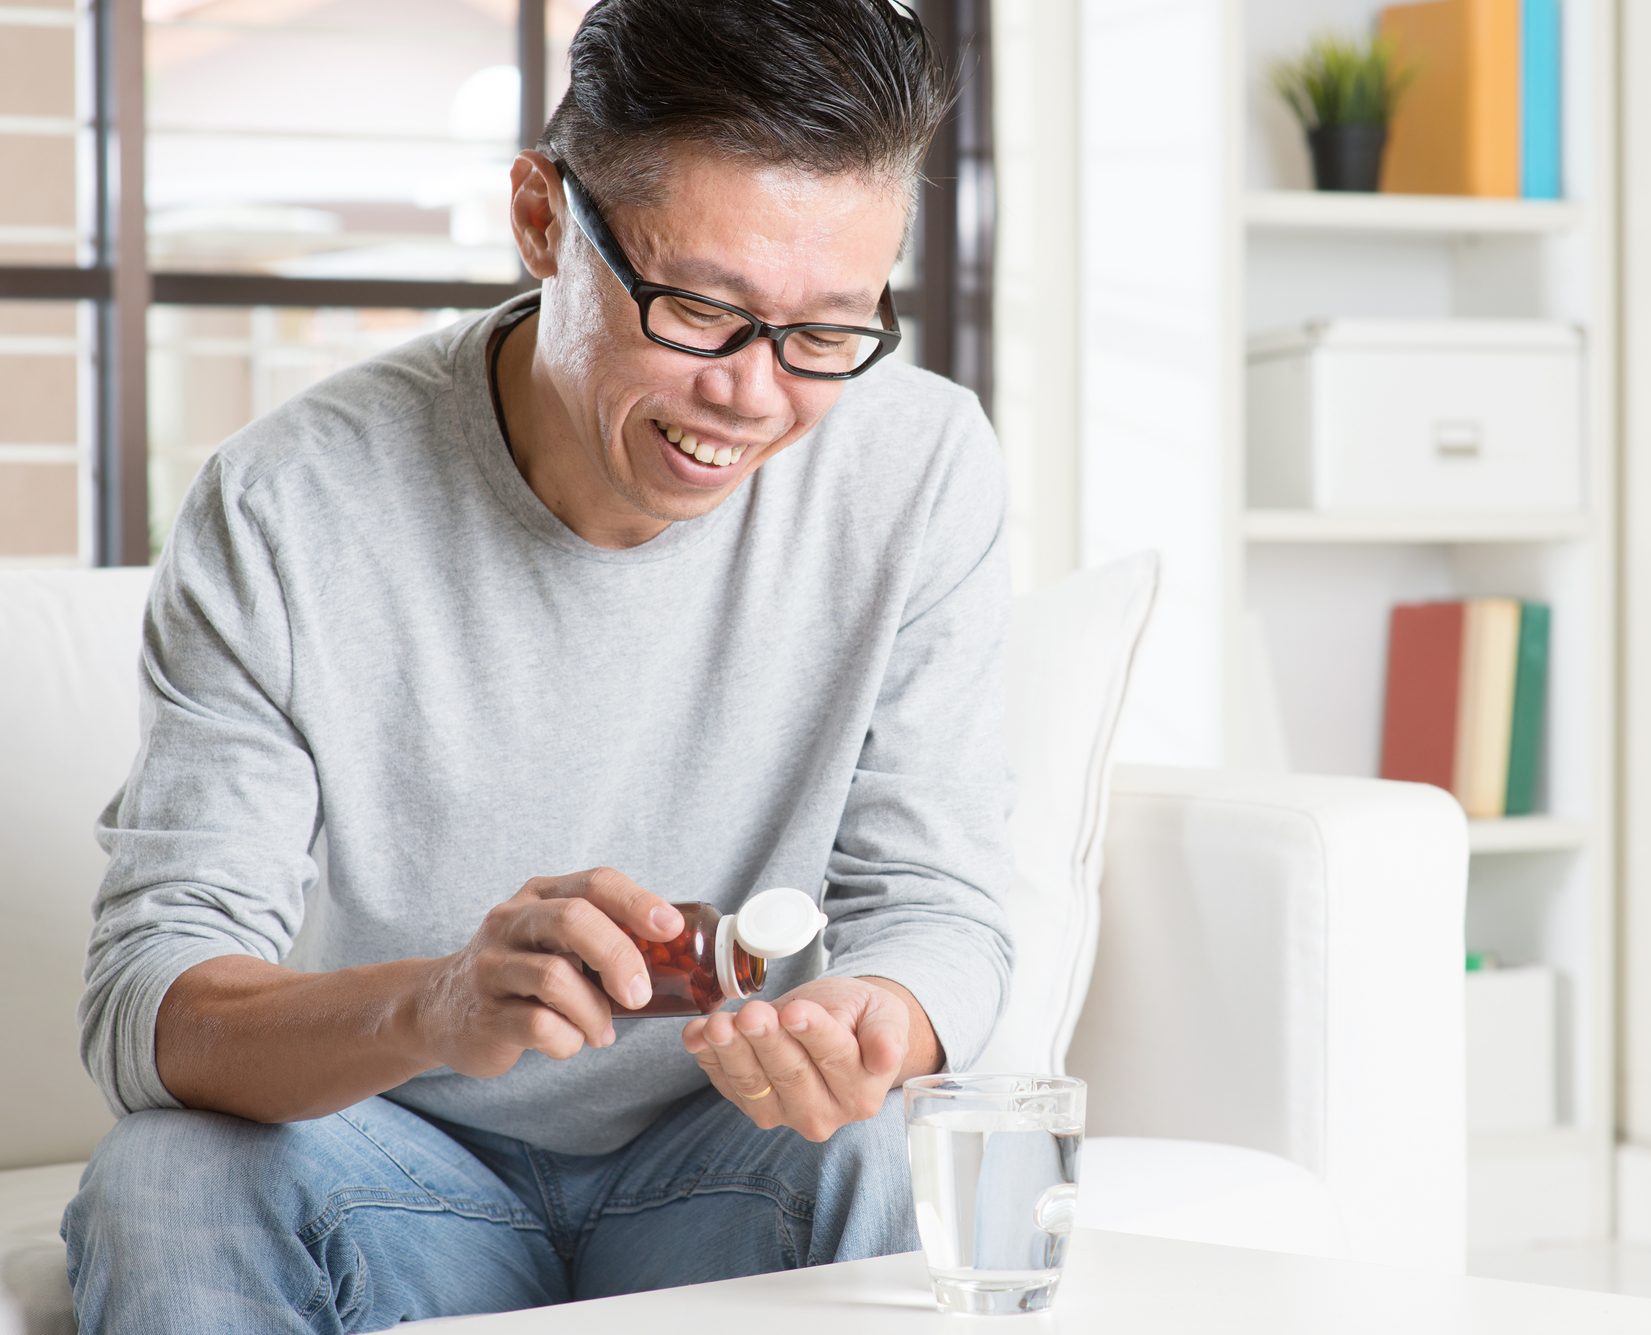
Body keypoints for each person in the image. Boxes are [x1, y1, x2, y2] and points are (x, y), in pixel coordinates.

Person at [59, 2, 1015, 1329]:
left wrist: (876, 1017)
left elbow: (939, 902)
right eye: (701, 310)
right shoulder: (289, 500)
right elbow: (150, 1002)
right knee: (166, 1176)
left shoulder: (921, 465)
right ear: (539, 219)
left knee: (903, 1139)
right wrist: (434, 1007)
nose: (752, 396)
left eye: (825, 333)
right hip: (397, 1169)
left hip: (728, 1166)